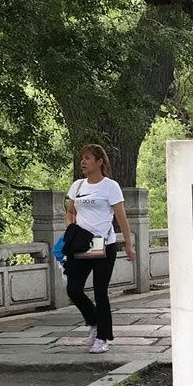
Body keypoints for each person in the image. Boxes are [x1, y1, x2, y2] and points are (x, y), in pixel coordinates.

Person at [64, 144, 136, 354]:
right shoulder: (78, 186)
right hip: (82, 243)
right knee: (73, 289)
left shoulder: (110, 186)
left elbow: (121, 217)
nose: (83, 162)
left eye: (87, 158)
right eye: (82, 158)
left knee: (100, 291)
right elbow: (70, 212)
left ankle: (103, 337)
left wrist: (128, 244)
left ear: (100, 161)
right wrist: (71, 227)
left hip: (103, 244)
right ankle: (95, 322)